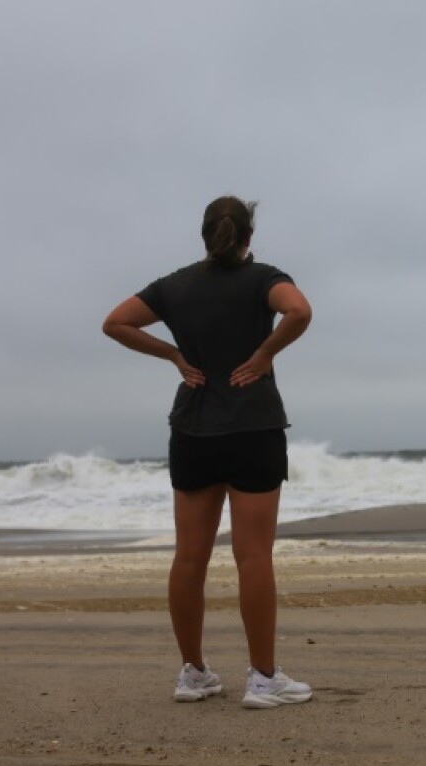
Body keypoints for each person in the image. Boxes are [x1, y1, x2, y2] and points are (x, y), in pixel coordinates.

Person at [102, 196, 313, 708]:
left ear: (205, 235)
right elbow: (300, 310)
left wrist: (174, 354)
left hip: (193, 428)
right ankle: (263, 679)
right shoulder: (264, 278)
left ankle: (193, 673)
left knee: (189, 558)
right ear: (247, 235)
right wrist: (264, 354)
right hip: (253, 426)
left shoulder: (173, 286)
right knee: (254, 555)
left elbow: (115, 322)